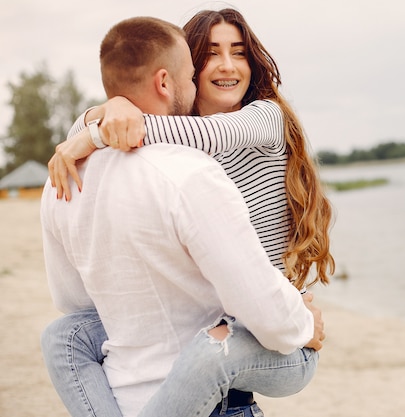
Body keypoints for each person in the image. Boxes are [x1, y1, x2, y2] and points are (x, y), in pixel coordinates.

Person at [43, 9, 334, 417]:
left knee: (211, 350)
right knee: (64, 334)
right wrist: (108, 110)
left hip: (264, 319)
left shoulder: (265, 117)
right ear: (187, 70)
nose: (228, 66)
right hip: (205, 315)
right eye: (212, 54)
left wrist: (98, 127)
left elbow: (208, 133)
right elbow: (132, 130)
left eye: (239, 52)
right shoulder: (173, 149)